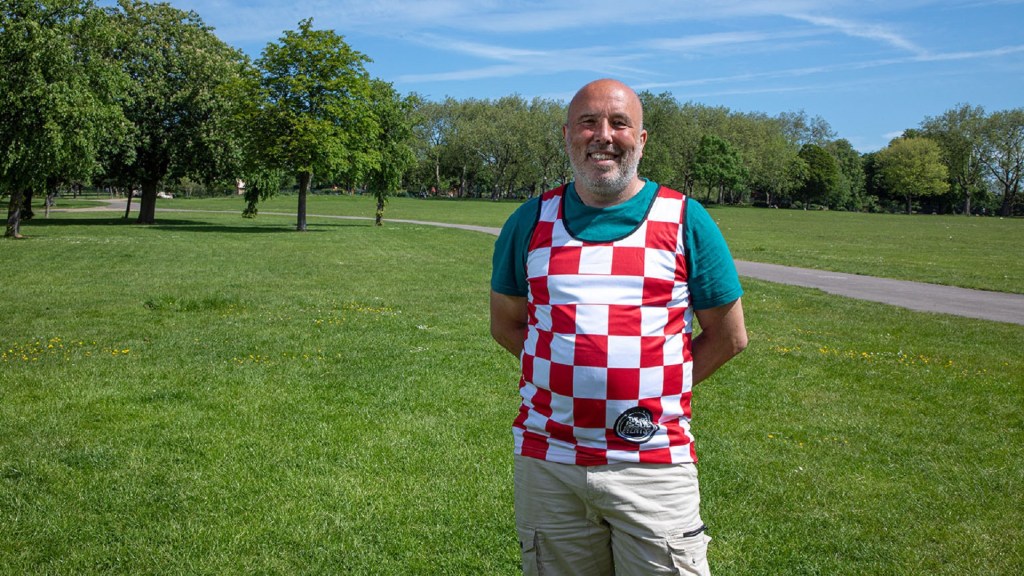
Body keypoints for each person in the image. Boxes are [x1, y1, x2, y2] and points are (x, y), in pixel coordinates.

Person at [489, 78, 748, 575]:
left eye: (618, 123)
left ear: (642, 139)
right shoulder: (530, 220)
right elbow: (507, 325)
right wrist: (567, 378)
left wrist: (655, 392)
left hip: (653, 462)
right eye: (588, 122)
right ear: (567, 135)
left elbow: (729, 336)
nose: (602, 134)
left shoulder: (685, 219)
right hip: (550, 461)